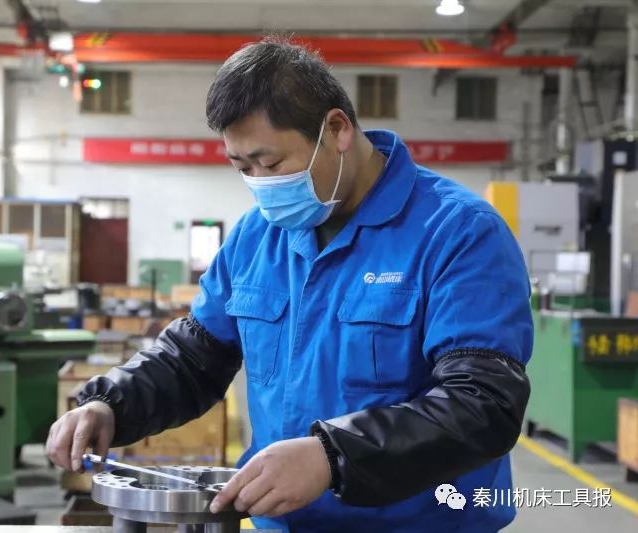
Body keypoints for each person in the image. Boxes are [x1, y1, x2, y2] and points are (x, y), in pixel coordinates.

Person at [46, 36, 533, 533]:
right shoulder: (256, 237)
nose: (262, 183)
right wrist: (113, 403)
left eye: (273, 164)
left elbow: (483, 404)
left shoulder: (457, 232)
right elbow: (193, 358)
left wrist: (332, 456)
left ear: (337, 129)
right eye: (243, 168)